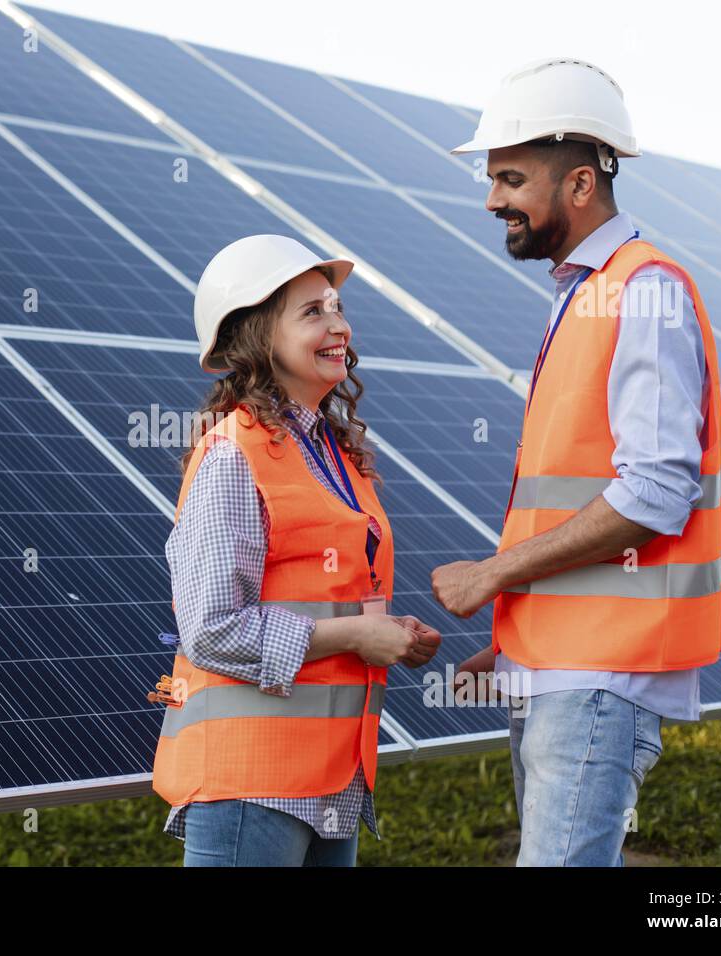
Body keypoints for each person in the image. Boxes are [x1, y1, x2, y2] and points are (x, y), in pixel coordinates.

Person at [432, 58, 721, 866]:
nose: (492, 199)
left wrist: (494, 575)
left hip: (603, 674)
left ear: (579, 185)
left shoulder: (643, 290)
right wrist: (521, 628)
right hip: (566, 663)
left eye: (509, 177)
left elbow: (653, 493)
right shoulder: (588, 291)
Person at [149, 234, 442, 867]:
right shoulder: (233, 454)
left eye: (336, 306)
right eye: (313, 312)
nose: (340, 324)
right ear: (258, 336)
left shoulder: (331, 451)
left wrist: (383, 629)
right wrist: (358, 637)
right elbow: (210, 628)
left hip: (332, 779)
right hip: (252, 784)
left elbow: (327, 595)